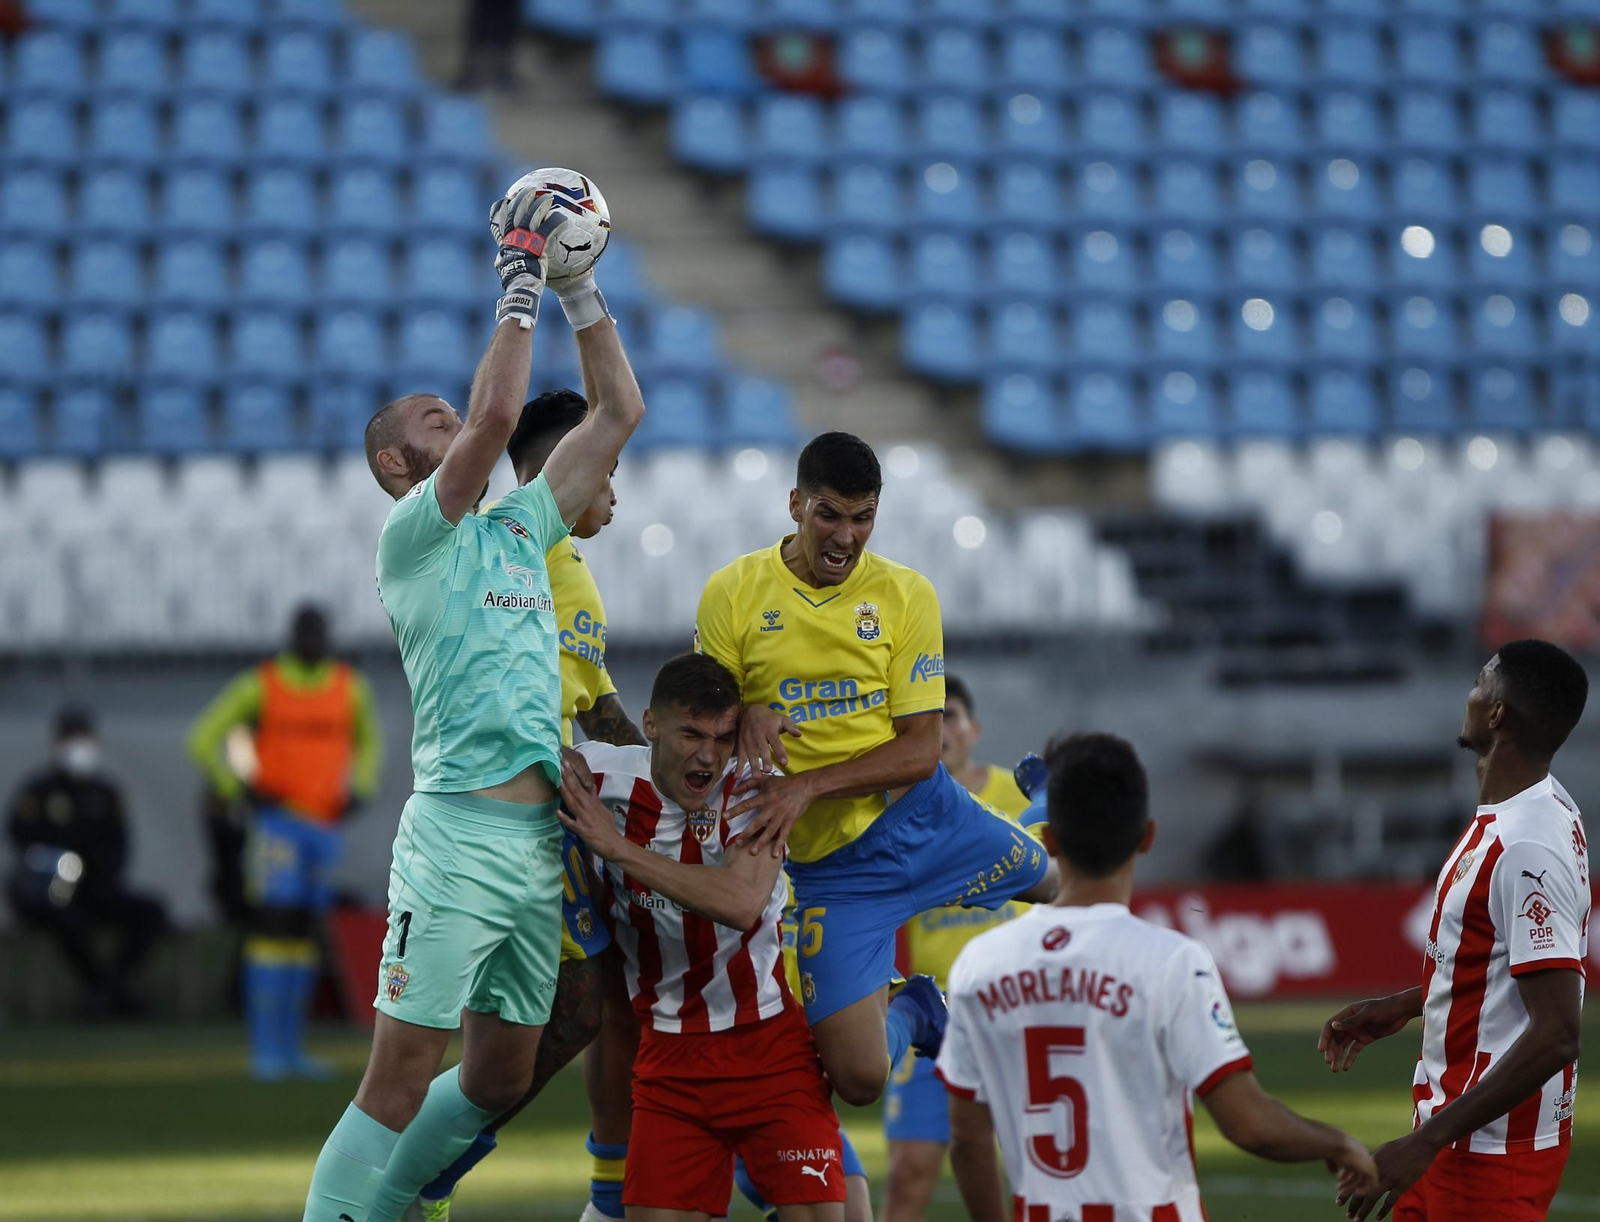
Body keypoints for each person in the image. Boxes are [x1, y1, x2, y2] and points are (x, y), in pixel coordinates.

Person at [301, 182, 644, 1222]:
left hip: (536, 843)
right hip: (454, 840)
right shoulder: (413, 539)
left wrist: (583, 293)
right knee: (398, 1078)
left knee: (500, 1077)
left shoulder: (520, 528)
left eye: (446, 411)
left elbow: (618, 413)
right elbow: (498, 414)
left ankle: (396, 1204)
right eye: (426, 422)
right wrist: (521, 275)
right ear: (394, 462)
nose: (450, 419)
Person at [694, 432, 1057, 1107]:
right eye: (830, 514)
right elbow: (706, 724)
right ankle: (916, 1008)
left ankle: (1040, 812)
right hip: (834, 870)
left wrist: (805, 784)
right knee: (859, 1080)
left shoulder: (905, 595)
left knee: (1060, 884)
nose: (846, 536)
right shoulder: (732, 594)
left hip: (925, 817)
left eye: (863, 517)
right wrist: (742, 712)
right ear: (795, 503)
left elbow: (922, 750)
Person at [937, 732, 1379, 1222]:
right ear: (1146, 837)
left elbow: (968, 1140)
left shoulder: (980, 963)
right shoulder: (1170, 960)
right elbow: (1247, 1124)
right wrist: (1337, 1143)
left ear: (1051, 840)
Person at [400, 390, 646, 1222]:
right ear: (563, 470)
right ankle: (424, 1165)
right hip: (503, 818)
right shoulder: (513, 547)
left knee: (600, 1005)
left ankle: (606, 1190)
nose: (615, 491)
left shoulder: (571, 567)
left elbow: (595, 698)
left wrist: (674, 767)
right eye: (608, 471)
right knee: (566, 1014)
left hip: (566, 814)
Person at [557, 653, 846, 1222]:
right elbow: (513, 770)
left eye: (722, 737)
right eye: (691, 733)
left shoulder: (758, 789)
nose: (708, 755)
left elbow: (740, 904)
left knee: (842, 1200)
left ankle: (900, 1011)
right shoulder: (599, 778)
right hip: (668, 1060)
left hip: (769, 1049)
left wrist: (615, 849)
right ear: (651, 724)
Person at [1319, 639, 1589, 1222]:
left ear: (1497, 715)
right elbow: (1503, 966)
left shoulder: (1528, 844)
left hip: (1487, 1160)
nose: (1467, 695)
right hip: (1458, 1137)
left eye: (1479, 683)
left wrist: (1426, 1141)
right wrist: (1413, 1004)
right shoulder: (1535, 810)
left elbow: (1559, 1031)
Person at [187, 604, 383, 1079]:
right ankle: (266, 1052)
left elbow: (369, 744)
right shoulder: (263, 684)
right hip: (277, 824)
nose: (313, 639)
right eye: (305, 631)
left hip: (323, 827)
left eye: (319, 631)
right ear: (293, 635)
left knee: (303, 928)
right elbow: (203, 737)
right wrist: (239, 789)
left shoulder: (348, 687)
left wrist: (361, 788)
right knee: (273, 925)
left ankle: (292, 1050)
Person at [882, 676, 1031, 1222]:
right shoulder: (893, 804)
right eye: (930, 716)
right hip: (937, 1017)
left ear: (975, 729)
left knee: (1031, 1172)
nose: (941, 727)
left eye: (951, 715)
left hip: (1021, 1012)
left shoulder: (1021, 800)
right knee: (908, 1174)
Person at [5, 707, 169, 1019]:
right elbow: (19, 836)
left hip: (97, 887)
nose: (79, 748)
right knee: (68, 921)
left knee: (151, 913)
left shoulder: (105, 792)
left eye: (84, 738)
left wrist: (102, 875)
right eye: (72, 739)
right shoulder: (40, 791)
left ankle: (107, 987)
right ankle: (104, 990)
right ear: (58, 743)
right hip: (55, 895)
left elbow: (120, 844)